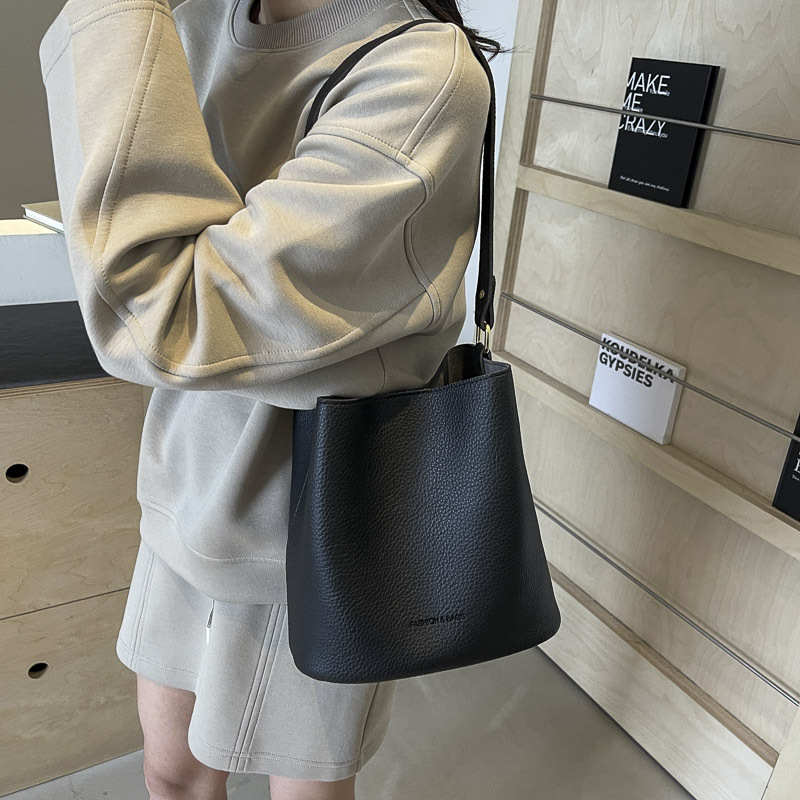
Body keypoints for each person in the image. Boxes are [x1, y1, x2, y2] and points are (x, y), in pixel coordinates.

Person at [38, 0, 505, 797]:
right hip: (185, 500)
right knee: (171, 772)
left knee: (302, 792)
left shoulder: (420, 71)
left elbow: (167, 315)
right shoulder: (196, 21)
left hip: (317, 541)